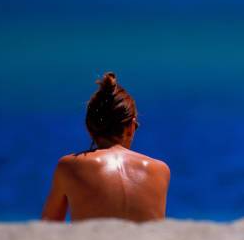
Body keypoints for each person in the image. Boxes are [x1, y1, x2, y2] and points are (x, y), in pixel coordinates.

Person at [42, 72, 170, 222]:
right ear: (130, 128)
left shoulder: (69, 166)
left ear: (89, 129)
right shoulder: (160, 170)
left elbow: (49, 224)